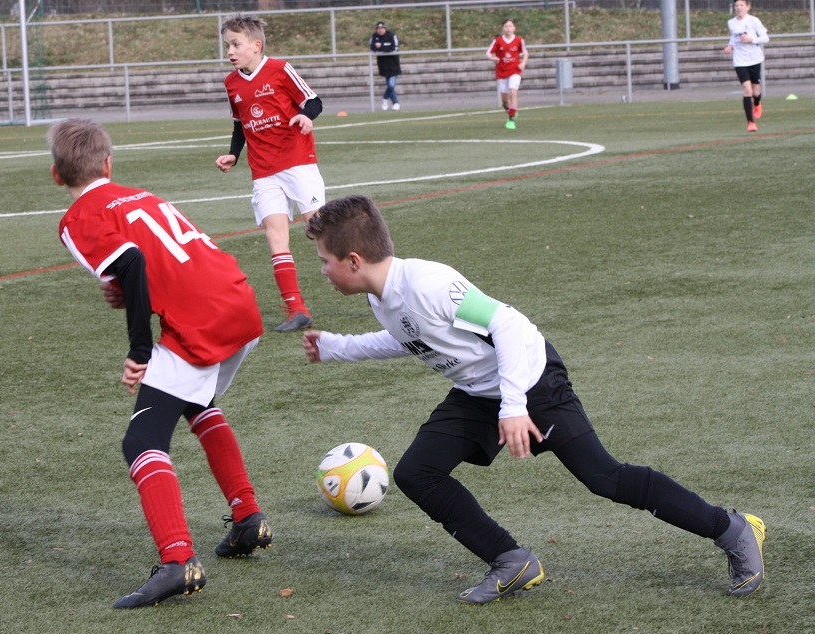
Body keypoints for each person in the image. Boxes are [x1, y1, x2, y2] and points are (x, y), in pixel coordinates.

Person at [300, 194, 767, 604]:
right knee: (416, 472)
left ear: (354, 260)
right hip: (478, 392)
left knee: (604, 477)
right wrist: (337, 347)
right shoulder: (382, 295)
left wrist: (514, 405)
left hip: (532, 378)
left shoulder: (427, 282)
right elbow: (410, 337)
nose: (322, 271)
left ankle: (732, 528)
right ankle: (512, 561)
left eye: (324, 261)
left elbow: (505, 324)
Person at [48, 118, 273, 609]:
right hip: (238, 301)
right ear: (109, 164)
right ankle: (248, 517)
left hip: (199, 322)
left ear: (56, 174)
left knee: (141, 441)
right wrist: (130, 290)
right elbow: (153, 261)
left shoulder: (77, 218)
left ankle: (178, 561)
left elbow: (130, 262)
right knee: (197, 402)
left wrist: (139, 351)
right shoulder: (141, 196)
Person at [215, 14, 325, 333]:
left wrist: (305, 117)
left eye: (236, 44)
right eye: (227, 46)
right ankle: (296, 309)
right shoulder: (231, 83)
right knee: (275, 236)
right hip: (263, 172)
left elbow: (314, 101)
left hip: (298, 163)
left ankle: (374, 287)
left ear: (256, 45)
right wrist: (234, 154)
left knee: (322, 230)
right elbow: (240, 124)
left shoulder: (280, 69)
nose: (230, 51)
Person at [724, 0, 769, 132]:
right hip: (740, 60)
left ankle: (757, 103)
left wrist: (751, 39)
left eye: (741, 5)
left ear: (748, 7)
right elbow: (734, 37)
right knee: (747, 90)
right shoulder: (731, 22)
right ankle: (751, 122)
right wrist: (730, 46)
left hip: (754, 58)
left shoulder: (754, 21)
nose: (738, 8)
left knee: (756, 92)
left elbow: (765, 38)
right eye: (736, 5)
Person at [486, 18, 528, 130]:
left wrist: (523, 63)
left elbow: (525, 53)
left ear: (514, 28)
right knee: (504, 100)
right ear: (502, 28)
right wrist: (493, 58)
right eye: (506, 26)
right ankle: (511, 110)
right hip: (501, 71)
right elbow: (488, 53)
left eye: (510, 26)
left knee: (513, 93)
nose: (508, 28)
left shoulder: (519, 40)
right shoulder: (498, 41)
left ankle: (511, 119)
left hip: (515, 70)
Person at [370, 21, 402, 111]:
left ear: (385, 29)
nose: (380, 30)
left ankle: (385, 98)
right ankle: (395, 102)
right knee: (389, 85)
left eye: (382, 28)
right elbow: (372, 48)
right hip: (383, 64)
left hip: (393, 64)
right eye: (378, 29)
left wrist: (381, 47)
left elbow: (394, 48)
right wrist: (380, 48)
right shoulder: (374, 37)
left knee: (391, 85)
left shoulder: (391, 36)